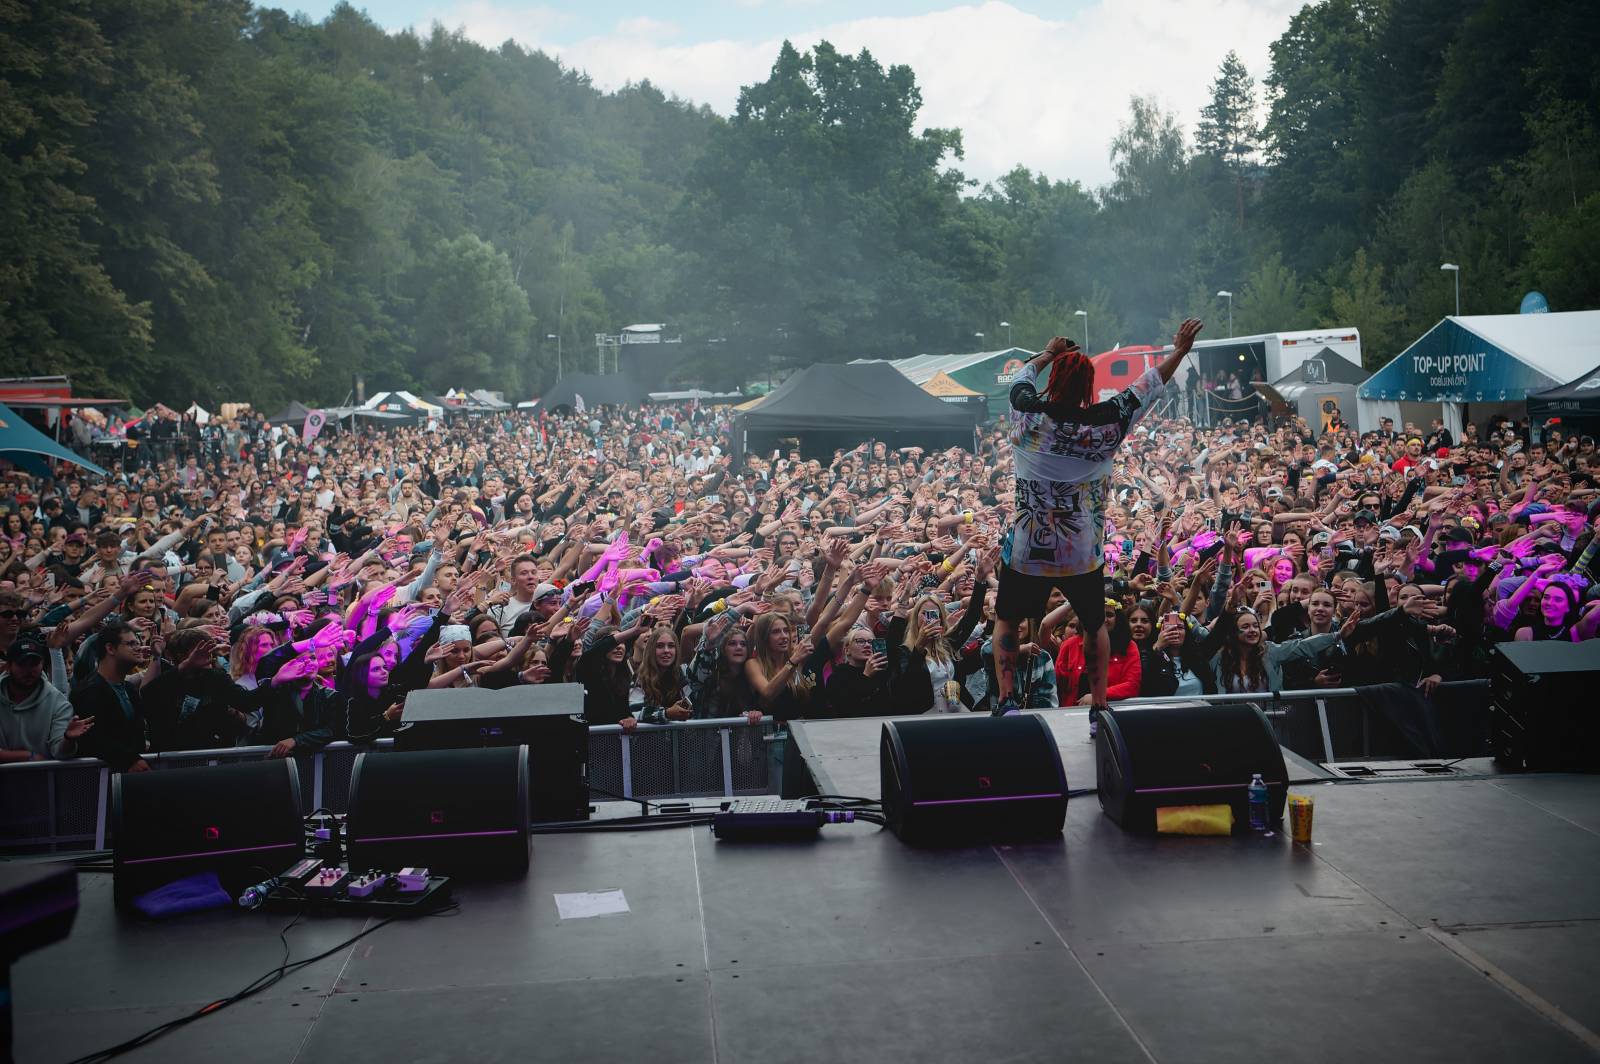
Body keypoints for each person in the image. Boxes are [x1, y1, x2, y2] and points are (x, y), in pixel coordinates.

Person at [993, 318, 1203, 731]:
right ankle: (1100, 705)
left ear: (1054, 381)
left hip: (1028, 547)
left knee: (1007, 618)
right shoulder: (1109, 421)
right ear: (1089, 386)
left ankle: (1005, 700)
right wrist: (1179, 350)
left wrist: (1048, 353)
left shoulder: (1028, 415)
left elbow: (1019, 380)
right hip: (1081, 550)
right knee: (1093, 624)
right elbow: (1148, 384)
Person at [0, 633, 92, 762]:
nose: (29, 670)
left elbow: (60, 753)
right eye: (22, 664)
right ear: (8, 667)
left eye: (34, 663)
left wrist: (68, 739)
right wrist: (29, 756)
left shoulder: (58, 703)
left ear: (42, 664)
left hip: (40, 775)